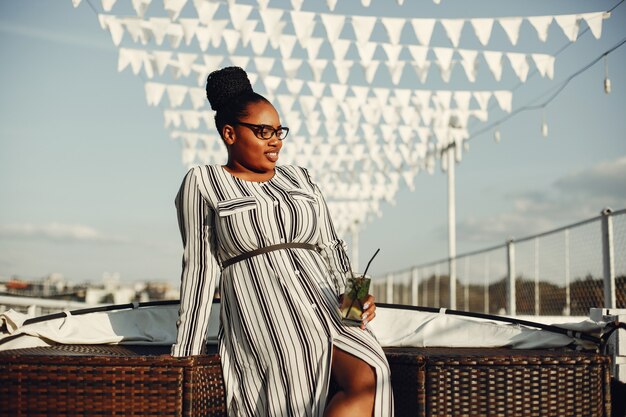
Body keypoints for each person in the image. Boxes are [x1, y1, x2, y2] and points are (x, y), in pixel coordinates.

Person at [171, 66, 394, 417]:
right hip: (263, 307)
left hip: (326, 303)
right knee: (291, 399)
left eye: (278, 131)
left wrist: (355, 299)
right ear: (229, 133)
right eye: (263, 131)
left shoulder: (300, 177)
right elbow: (199, 270)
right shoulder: (203, 182)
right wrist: (185, 357)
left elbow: (332, 247)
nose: (275, 140)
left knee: (373, 375)